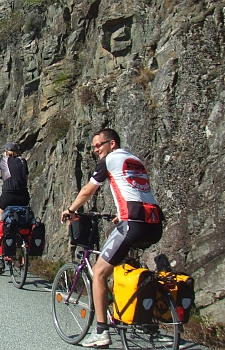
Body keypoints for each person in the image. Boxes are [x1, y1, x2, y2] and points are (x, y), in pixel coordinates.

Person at [60, 128, 164, 348]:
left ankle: (101, 332)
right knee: (124, 263)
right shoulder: (134, 160)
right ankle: (140, 317)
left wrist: (71, 209)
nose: (96, 149)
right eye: (94, 146)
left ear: (112, 144)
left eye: (99, 145)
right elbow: (135, 189)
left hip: (133, 223)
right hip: (153, 223)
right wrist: (120, 212)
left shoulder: (110, 160)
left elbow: (89, 190)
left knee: (98, 272)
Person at [0, 141, 30, 274]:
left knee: (0, 223)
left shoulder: (2, 160)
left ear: (6, 151)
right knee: (21, 222)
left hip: (8, 196)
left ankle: (0, 260)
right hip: (24, 197)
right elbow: (25, 180)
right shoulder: (23, 161)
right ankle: (21, 248)